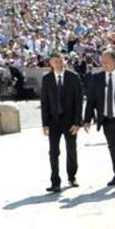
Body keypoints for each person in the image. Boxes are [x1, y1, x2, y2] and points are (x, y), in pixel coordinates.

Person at [84, 47, 115, 189]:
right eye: (102, 62)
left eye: (107, 61)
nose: (104, 64)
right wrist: (87, 120)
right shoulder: (97, 78)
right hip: (106, 119)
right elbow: (91, 100)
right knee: (112, 147)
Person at [39, 52, 83, 192]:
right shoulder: (47, 79)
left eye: (60, 61)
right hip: (53, 122)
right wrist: (45, 124)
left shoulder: (73, 77)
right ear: (50, 63)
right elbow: (44, 102)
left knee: (71, 150)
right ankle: (55, 182)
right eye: (55, 61)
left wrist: (78, 123)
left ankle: (72, 177)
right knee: (53, 152)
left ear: (64, 61)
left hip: (70, 121)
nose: (58, 63)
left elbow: (79, 101)